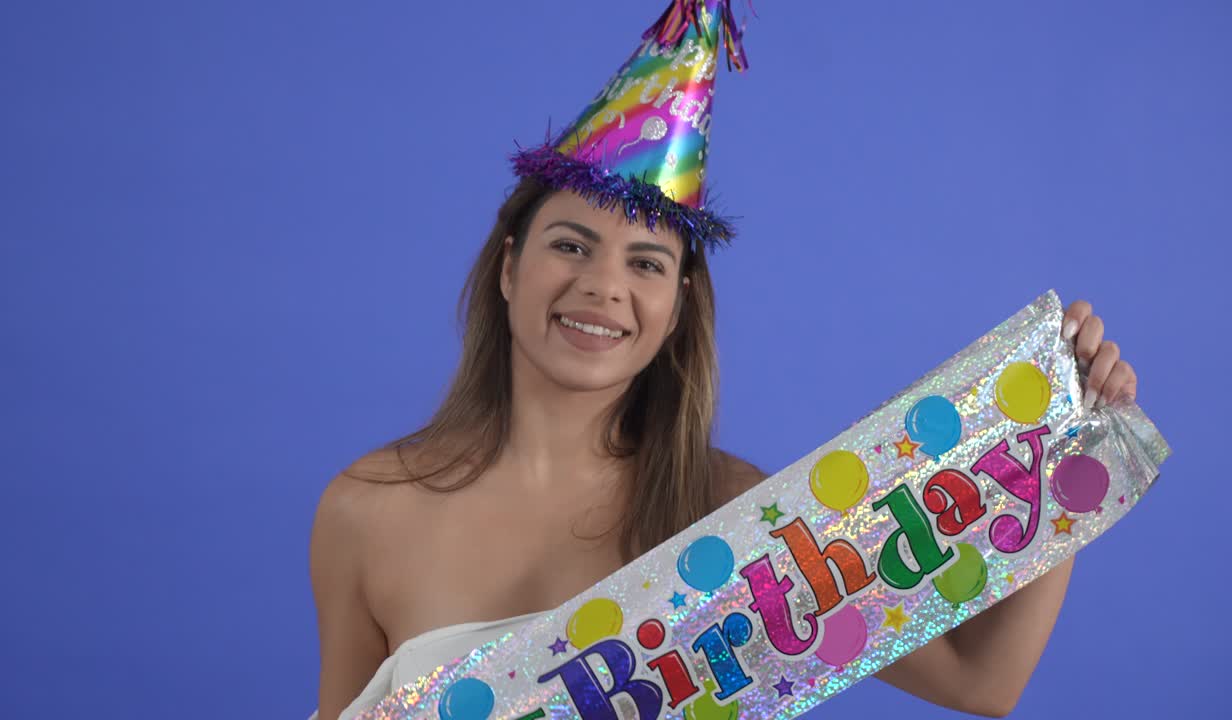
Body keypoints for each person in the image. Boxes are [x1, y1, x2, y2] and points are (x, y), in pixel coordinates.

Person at [308, 3, 1139, 719]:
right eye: (571, 245)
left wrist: (1063, 446)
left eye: (645, 263)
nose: (603, 287)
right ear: (509, 268)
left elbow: (981, 680)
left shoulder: (736, 517)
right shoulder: (366, 512)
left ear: (675, 309)